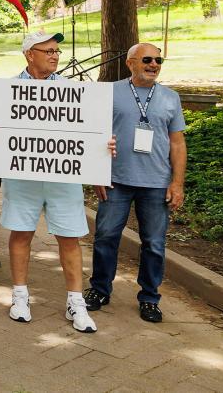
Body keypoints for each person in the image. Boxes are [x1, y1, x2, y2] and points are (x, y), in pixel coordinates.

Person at [0, 31, 97, 333]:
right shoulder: (8, 91)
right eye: (48, 50)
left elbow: (87, 134)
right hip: (23, 177)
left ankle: (75, 302)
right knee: (21, 233)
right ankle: (20, 296)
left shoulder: (74, 92)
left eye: (57, 51)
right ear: (29, 54)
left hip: (62, 178)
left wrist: (102, 146)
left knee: (70, 237)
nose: (54, 55)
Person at [85, 43, 186, 323]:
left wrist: (177, 183)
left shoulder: (170, 98)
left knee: (154, 243)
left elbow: (177, 143)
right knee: (106, 238)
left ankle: (150, 298)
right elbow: (94, 134)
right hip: (116, 180)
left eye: (158, 60)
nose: (153, 64)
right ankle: (100, 289)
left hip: (156, 182)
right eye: (147, 59)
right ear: (130, 63)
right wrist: (97, 173)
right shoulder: (110, 92)